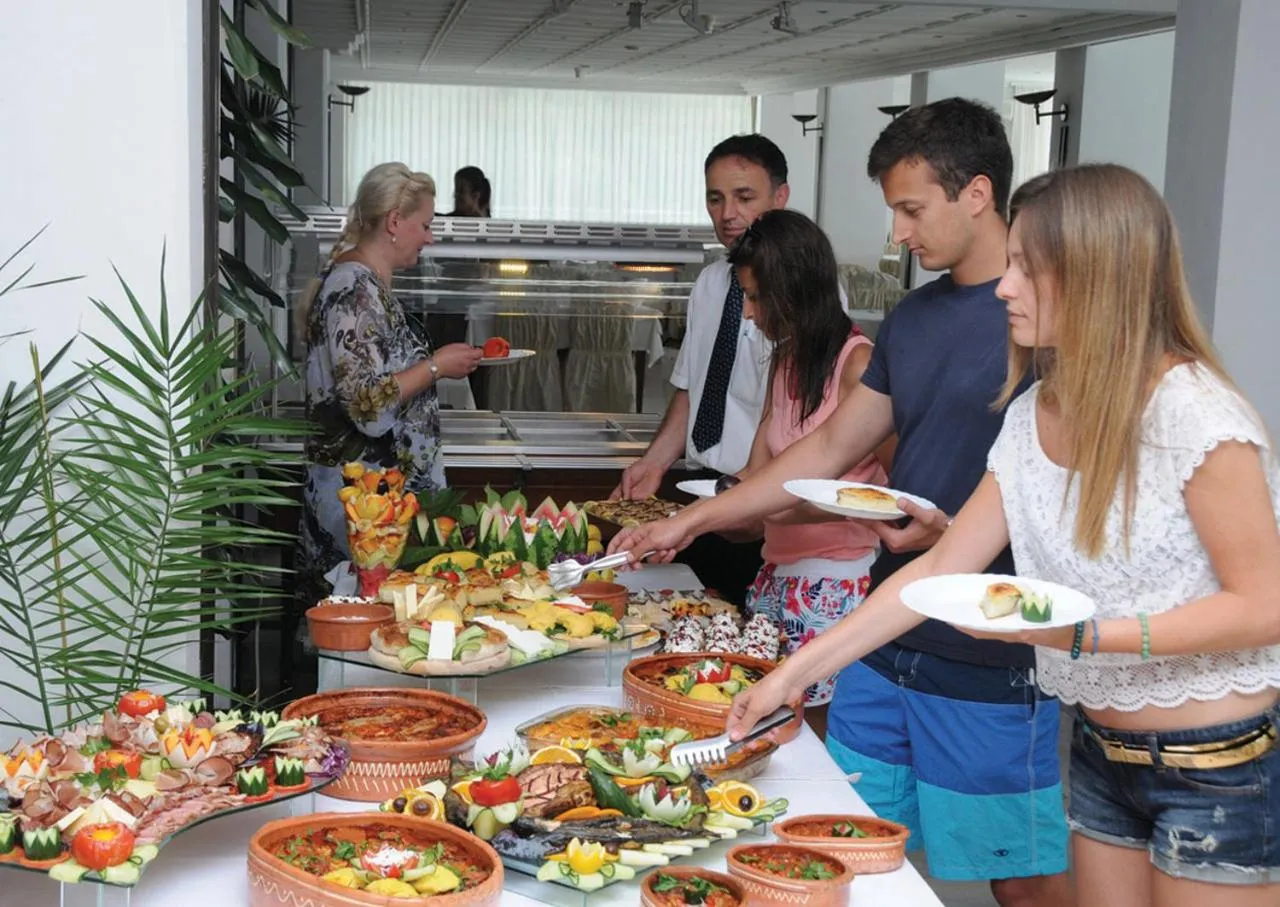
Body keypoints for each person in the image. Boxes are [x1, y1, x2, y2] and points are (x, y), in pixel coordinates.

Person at [733, 163, 1280, 902]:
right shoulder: (1031, 415)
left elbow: (1264, 605)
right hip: (1099, 746)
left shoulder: (1196, 417)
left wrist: (1084, 638)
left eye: (1028, 267)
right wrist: (790, 677)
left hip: (1215, 763)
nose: (1004, 287)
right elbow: (933, 577)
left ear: (1096, 275)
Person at [611, 99, 1070, 906]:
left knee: (1018, 874)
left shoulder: (1044, 323)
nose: (898, 233)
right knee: (834, 839)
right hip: (881, 638)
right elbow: (820, 452)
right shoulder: (914, 319)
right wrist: (691, 517)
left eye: (910, 209)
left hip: (989, 651)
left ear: (977, 193)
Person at [718, 209, 891, 740]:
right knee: (762, 729)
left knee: (810, 740)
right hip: (776, 575)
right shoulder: (786, 360)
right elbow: (757, 473)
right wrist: (709, 512)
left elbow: (892, 493)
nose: (747, 314)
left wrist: (772, 505)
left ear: (791, 293)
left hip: (838, 585)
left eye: (754, 297)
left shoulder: (860, 365)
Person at [610, 134, 789, 605]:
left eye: (744, 197)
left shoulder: (804, 289)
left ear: (780, 197)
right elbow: (694, 387)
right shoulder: (711, 282)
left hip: (761, 512)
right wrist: (654, 463)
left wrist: (748, 492)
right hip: (702, 499)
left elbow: (792, 414)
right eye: (715, 198)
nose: (728, 213)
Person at [297, 162, 482, 589]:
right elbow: (368, 406)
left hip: (378, 509)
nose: (431, 237)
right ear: (395, 222)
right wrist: (436, 366)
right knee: (358, 638)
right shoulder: (354, 290)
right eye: (426, 225)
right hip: (363, 516)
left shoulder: (365, 283)